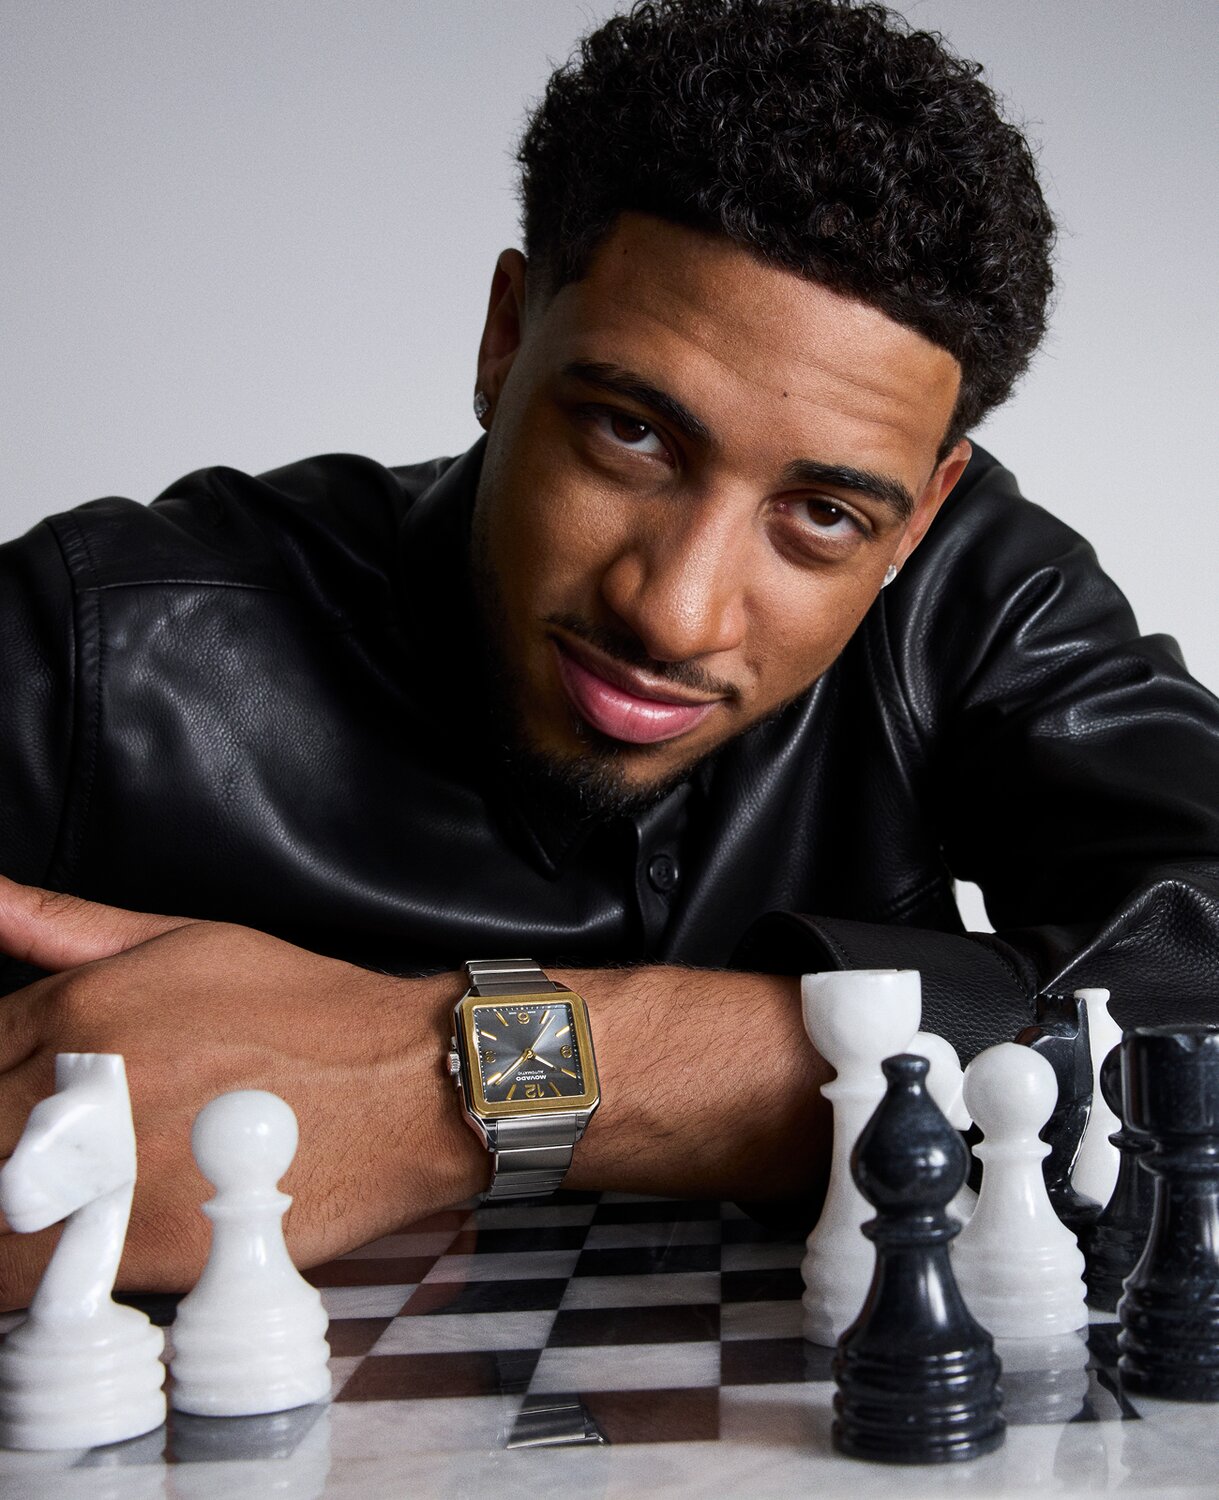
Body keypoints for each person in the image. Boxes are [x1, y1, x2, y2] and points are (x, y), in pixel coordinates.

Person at [1, 0, 1217, 1305]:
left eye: (824, 516)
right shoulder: (100, 649)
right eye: (632, 433)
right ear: (506, 336)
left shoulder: (966, 600)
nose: (675, 616)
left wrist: (449, 1074)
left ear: (922, 512)